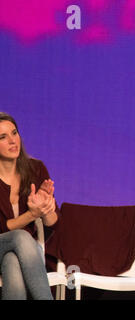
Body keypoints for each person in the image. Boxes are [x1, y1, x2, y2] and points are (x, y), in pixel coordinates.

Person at [0, 112, 57, 300]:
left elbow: (54, 223)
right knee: (21, 237)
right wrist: (32, 215)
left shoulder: (36, 169)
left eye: (14, 133)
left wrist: (46, 209)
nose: (12, 141)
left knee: (12, 261)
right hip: (15, 243)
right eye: (3, 137)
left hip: (23, 253)